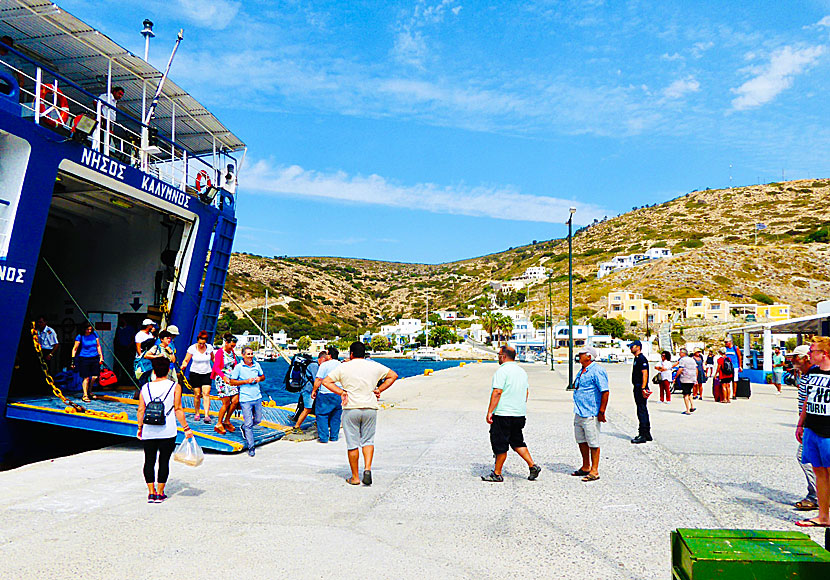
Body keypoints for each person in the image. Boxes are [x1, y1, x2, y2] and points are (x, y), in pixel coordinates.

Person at [321, 341, 398, 486]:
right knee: (368, 441)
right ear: (364, 353)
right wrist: (379, 389)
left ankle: (355, 477)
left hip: (351, 407)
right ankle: (367, 469)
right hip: (370, 407)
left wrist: (342, 392)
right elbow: (393, 376)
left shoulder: (344, 367)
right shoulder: (374, 365)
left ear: (351, 354)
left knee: (352, 443)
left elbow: (326, 381)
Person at [479, 345, 541, 483]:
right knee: (517, 441)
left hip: (503, 413)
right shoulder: (521, 371)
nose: (498, 357)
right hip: (519, 413)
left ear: (504, 356)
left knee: (500, 443)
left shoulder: (502, 371)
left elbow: (497, 392)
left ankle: (497, 473)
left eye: (499, 354)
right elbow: (526, 392)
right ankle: (532, 465)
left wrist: (490, 411)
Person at [137, 356, 193, 503]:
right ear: (168, 370)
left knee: (149, 461)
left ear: (153, 371)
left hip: (149, 429)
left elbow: (141, 410)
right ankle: (160, 493)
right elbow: (178, 409)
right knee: (164, 461)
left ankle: (151, 492)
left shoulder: (145, 387)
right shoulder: (175, 386)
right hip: (168, 429)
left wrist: (140, 427)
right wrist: (186, 428)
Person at [795, 336, 830, 527]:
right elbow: (808, 400)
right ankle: (823, 516)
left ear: (823, 354)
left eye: (813, 351)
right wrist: (801, 424)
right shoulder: (813, 372)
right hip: (812, 428)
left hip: (828, 431)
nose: (809, 354)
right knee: (819, 473)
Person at [571, 346, 609, 482]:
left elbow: (605, 391)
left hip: (591, 412)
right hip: (579, 410)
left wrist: (602, 411)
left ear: (589, 356)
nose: (579, 356)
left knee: (593, 441)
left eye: (581, 354)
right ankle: (586, 466)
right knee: (581, 440)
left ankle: (595, 470)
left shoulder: (597, 371)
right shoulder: (582, 371)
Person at [791, 345, 818, 512]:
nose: (794, 361)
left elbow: (811, 402)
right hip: (809, 424)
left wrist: (803, 424)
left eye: (796, 358)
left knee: (804, 457)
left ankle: (815, 496)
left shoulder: (815, 375)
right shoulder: (806, 375)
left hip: (814, 425)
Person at [227, 347, 265, 457]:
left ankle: (244, 427)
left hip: (257, 397)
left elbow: (263, 376)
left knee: (258, 420)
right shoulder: (239, 367)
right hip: (245, 399)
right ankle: (251, 447)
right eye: (248, 354)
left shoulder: (256, 365)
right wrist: (245, 381)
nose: (250, 356)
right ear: (243, 355)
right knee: (249, 423)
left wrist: (259, 379)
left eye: (251, 354)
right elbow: (232, 382)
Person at [180, 330, 215, 424]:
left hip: (207, 372)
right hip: (195, 373)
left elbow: (213, 359)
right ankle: (197, 412)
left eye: (203, 343)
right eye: (200, 343)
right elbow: (186, 360)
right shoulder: (192, 348)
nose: (201, 345)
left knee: (206, 393)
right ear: (197, 341)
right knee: (197, 394)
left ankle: (207, 415)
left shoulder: (209, 348)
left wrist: (219, 369)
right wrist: (183, 366)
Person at [211, 333, 240, 435]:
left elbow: (235, 364)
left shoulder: (232, 352)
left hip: (231, 378)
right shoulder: (220, 353)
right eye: (231, 345)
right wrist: (223, 376)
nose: (232, 348)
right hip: (222, 379)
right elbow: (216, 368)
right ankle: (219, 423)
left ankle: (227, 420)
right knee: (226, 402)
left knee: (235, 400)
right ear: (226, 343)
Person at [314, 347, 343, 444]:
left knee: (322, 414)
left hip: (326, 393)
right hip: (339, 392)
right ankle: (334, 436)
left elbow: (319, 379)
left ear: (329, 355)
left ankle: (324, 437)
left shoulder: (324, 365)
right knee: (336, 415)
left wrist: (314, 390)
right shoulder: (341, 365)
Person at [71, 323, 104, 403]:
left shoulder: (94, 334)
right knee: (86, 377)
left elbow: (98, 346)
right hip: (84, 358)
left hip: (94, 357)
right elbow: (75, 349)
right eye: (87, 329)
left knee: (95, 376)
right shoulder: (80, 336)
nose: (89, 331)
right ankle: (85, 395)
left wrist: (101, 356)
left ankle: (90, 391)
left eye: (90, 329)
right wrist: (73, 360)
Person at [291, 351, 321, 433]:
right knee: (307, 408)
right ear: (322, 358)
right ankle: (297, 427)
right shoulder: (314, 366)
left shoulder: (313, 365)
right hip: (308, 390)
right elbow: (316, 379)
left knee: (317, 407)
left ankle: (317, 423)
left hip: (309, 389)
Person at [629, 340, 652, 443]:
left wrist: (643, 388)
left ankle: (642, 434)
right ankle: (647, 433)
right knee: (642, 409)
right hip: (638, 386)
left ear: (638, 347)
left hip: (640, 387)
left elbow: (645, 373)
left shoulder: (641, 359)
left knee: (641, 410)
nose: (630, 348)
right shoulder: (637, 358)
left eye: (632, 346)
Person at [675, 348, 698, 415]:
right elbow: (696, 369)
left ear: (683, 353)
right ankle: (692, 406)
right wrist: (695, 378)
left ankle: (687, 409)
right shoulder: (692, 359)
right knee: (689, 393)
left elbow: (680, 369)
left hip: (685, 378)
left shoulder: (682, 360)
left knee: (685, 394)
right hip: (692, 378)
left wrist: (676, 376)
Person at [113, 317, 135, 384]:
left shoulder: (130, 328)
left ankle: (127, 379)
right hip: (120, 349)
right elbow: (116, 338)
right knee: (119, 365)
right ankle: (119, 379)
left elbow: (133, 338)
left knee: (128, 365)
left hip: (128, 349)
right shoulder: (119, 329)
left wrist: (129, 346)